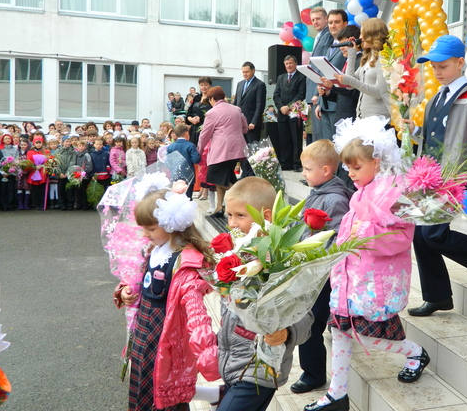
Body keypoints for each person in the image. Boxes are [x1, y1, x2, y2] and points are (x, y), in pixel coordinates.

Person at [305, 118, 428, 411]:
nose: (350, 173)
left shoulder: (392, 192)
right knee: (340, 331)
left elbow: (399, 238)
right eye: (348, 168)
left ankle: (416, 352)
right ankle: (338, 394)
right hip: (351, 278)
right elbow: (350, 231)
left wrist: (366, 233)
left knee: (370, 336)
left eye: (356, 167)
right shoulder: (361, 193)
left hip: (373, 283)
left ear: (377, 161)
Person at [407, 35, 467, 317]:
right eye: (434, 66)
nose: (437, 71)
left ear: (460, 63)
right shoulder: (436, 98)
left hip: (456, 175)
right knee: (420, 237)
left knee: (433, 234)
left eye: (443, 66)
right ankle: (438, 296)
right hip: (430, 176)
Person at [113, 188, 219, 410]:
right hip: (144, 326)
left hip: (166, 333)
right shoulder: (154, 249)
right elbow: (136, 280)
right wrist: (125, 291)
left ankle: (211, 394)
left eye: (151, 228)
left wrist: (206, 349)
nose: (145, 234)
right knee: (144, 379)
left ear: (171, 224)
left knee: (164, 387)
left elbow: (196, 311)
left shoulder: (184, 262)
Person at [217, 177, 312, 411]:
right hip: (232, 362)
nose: (232, 223)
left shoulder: (282, 259)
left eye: (240, 215)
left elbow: (306, 316)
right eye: (229, 215)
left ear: (266, 216)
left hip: (260, 368)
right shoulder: (235, 252)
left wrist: (287, 332)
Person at [291, 140, 353, 395]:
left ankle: (313, 373)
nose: (303, 174)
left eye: (307, 169)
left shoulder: (335, 199)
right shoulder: (320, 192)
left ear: (326, 171)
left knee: (310, 320)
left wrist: (314, 256)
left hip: (323, 273)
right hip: (314, 270)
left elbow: (338, 239)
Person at [198, 86, 247, 217]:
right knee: (224, 178)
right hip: (237, 150)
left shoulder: (212, 112)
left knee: (216, 178)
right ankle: (220, 208)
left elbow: (204, 135)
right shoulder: (236, 109)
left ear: (212, 99)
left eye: (209, 100)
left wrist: (199, 150)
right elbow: (245, 128)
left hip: (221, 152)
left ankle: (245, 199)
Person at [336, 18, 391, 119]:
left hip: (378, 119)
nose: (360, 37)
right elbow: (349, 84)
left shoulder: (383, 58)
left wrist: (351, 81)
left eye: (362, 34)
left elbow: (379, 92)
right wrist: (351, 54)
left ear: (373, 35)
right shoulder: (368, 58)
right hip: (362, 117)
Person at [314, 9, 348, 140]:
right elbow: (324, 74)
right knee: (328, 147)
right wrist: (320, 102)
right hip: (325, 104)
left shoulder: (349, 47)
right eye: (330, 22)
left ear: (345, 24)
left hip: (340, 104)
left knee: (339, 146)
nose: (332, 25)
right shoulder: (329, 47)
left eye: (337, 22)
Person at [319, 25, 362, 123]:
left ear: (355, 43)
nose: (341, 48)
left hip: (353, 116)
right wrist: (328, 92)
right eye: (340, 45)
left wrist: (333, 87)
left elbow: (357, 92)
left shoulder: (361, 61)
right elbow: (342, 95)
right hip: (341, 115)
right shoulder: (347, 62)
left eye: (344, 44)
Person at [305, 7, 335, 144]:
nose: (315, 22)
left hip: (320, 91)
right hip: (314, 91)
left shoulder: (328, 35)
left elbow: (323, 66)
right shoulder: (319, 36)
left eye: (318, 19)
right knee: (316, 135)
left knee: (322, 136)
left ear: (325, 19)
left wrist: (317, 93)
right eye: (313, 20)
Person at [273, 55, 306, 171]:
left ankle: (297, 164)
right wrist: (281, 107)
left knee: (296, 139)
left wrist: (289, 106)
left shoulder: (301, 77)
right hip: (282, 113)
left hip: (295, 112)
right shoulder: (281, 78)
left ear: (295, 64)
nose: (288, 65)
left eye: (291, 63)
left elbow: (301, 94)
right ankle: (285, 163)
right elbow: (276, 95)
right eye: (286, 64)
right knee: (283, 139)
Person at [233, 61, 266, 144]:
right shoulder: (240, 84)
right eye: (243, 72)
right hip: (239, 123)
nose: (245, 74)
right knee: (241, 149)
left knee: (252, 148)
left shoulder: (259, 85)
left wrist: (254, 121)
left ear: (253, 71)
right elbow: (236, 102)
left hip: (251, 124)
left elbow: (260, 105)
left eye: (247, 72)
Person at [167, 124, 201, 199]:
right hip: (189, 175)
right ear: (186, 133)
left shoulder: (170, 147)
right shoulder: (190, 145)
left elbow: (168, 162)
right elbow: (196, 160)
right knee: (188, 198)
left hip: (175, 175)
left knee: (176, 197)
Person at [26, 135, 49, 210]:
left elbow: (49, 161)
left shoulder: (46, 152)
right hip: (34, 171)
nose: (38, 144)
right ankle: (35, 203)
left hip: (43, 172)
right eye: (37, 143)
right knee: (34, 189)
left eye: (40, 143)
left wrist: (43, 165)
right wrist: (35, 167)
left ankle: (42, 204)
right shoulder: (30, 152)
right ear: (34, 143)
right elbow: (28, 161)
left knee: (42, 189)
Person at [57, 136, 77, 211]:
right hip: (61, 174)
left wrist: (67, 173)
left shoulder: (73, 152)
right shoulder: (58, 151)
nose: (68, 143)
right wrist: (60, 173)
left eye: (69, 141)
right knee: (61, 189)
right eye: (66, 141)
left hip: (69, 174)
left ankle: (70, 204)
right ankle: (62, 204)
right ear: (62, 142)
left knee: (69, 189)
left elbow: (73, 162)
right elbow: (56, 162)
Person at [73, 139, 93, 210]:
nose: (81, 147)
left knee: (84, 190)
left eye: (82, 146)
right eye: (79, 146)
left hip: (85, 176)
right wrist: (75, 173)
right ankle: (78, 204)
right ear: (77, 147)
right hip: (77, 175)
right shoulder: (76, 154)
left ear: (85, 147)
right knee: (77, 190)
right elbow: (74, 165)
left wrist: (83, 173)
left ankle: (85, 205)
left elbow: (89, 166)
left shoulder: (87, 155)